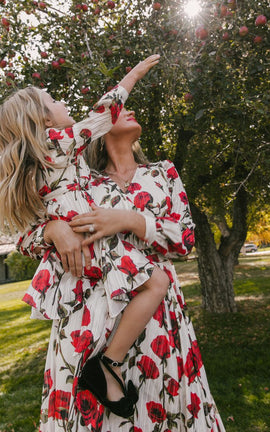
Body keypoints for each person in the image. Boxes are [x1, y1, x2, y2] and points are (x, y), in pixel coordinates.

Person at [17, 108, 226, 431]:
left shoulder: (162, 173)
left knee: (160, 407)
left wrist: (131, 220)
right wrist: (52, 230)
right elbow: (24, 234)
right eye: (116, 108)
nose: (127, 109)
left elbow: (185, 240)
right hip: (90, 314)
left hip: (158, 314)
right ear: (98, 127)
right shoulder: (81, 178)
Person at [0, 55, 171, 417]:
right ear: (45, 121)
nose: (64, 105)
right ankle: (108, 363)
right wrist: (134, 73)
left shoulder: (42, 163)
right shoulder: (58, 144)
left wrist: (50, 226)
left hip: (85, 248)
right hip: (96, 239)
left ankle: (106, 365)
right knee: (157, 283)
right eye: (54, 102)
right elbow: (102, 114)